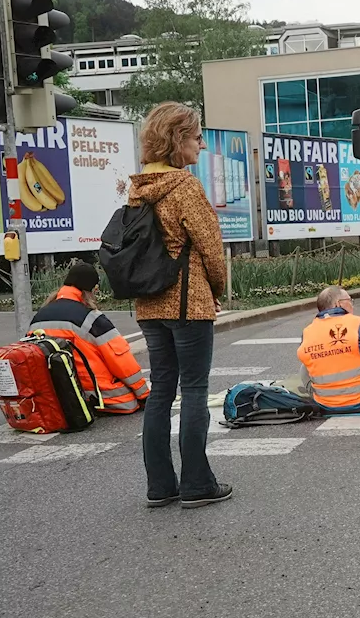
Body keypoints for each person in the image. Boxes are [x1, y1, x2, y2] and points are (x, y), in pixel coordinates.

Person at [129, 102, 230, 509]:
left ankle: (160, 485)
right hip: (187, 302)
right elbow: (209, 246)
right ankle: (196, 484)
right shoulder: (184, 187)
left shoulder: (137, 186)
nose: (201, 146)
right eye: (196, 137)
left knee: (159, 393)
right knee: (193, 390)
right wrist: (217, 289)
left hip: (149, 304)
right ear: (177, 139)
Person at [29, 263, 149, 414]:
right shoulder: (90, 318)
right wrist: (144, 394)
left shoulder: (38, 318)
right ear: (89, 290)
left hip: (54, 398)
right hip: (95, 397)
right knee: (127, 400)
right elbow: (120, 359)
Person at [296, 286, 360, 415]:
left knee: (304, 367)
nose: (352, 305)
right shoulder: (358, 324)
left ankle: (327, 397)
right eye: (349, 300)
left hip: (324, 405)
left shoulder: (308, 332)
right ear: (338, 304)